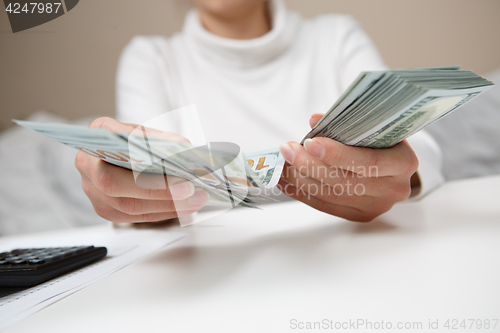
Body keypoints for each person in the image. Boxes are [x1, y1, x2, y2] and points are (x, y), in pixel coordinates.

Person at [75, 0, 443, 223]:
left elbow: (420, 151)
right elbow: (144, 188)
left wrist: (402, 175)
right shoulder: (152, 59)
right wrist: (127, 194)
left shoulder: (337, 37)